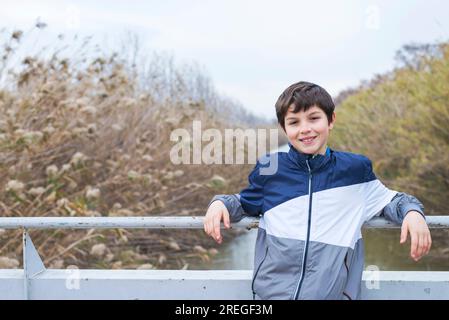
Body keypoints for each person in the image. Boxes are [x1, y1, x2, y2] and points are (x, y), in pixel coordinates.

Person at [203, 81, 432, 300]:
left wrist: (412, 212)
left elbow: (393, 200)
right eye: (294, 122)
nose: (305, 129)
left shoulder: (355, 170)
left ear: (331, 120)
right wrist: (220, 203)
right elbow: (244, 202)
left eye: (314, 118)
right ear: (284, 128)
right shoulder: (270, 170)